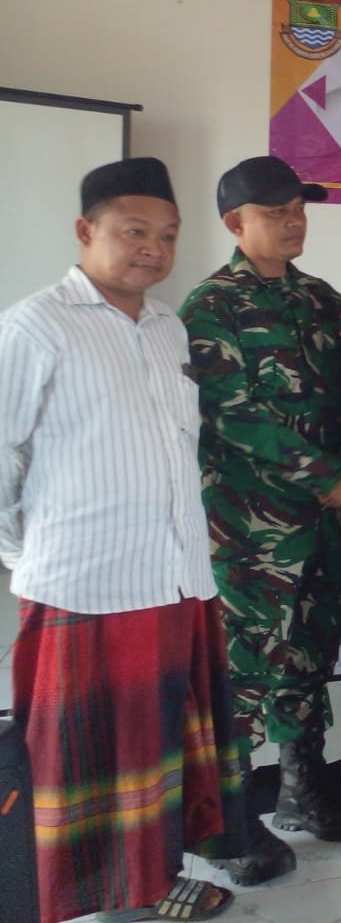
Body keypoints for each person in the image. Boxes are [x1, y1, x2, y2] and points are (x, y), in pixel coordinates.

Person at [1, 158, 247, 923]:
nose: (153, 248)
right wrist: (29, 554)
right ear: (86, 230)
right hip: (85, 585)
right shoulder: (35, 325)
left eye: (167, 235)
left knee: (160, 750)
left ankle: (153, 880)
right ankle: (104, 900)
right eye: (134, 231)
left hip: (175, 580)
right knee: (87, 761)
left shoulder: (170, 326)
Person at [181, 156, 341, 884]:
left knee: (310, 656)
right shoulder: (211, 307)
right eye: (275, 212)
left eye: (299, 209)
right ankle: (230, 824)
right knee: (245, 671)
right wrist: (329, 474)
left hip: (322, 526)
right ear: (236, 222)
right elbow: (232, 415)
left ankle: (303, 788)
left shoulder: (321, 299)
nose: (293, 222)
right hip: (251, 532)